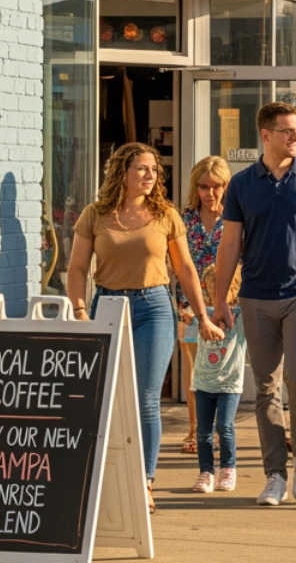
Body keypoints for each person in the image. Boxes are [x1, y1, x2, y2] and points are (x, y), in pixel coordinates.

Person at [67, 142, 222, 512]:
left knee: (145, 398)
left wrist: (202, 316)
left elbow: (185, 269)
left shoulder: (165, 214)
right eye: (142, 168)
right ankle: (98, 480)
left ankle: (144, 482)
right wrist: (78, 308)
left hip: (153, 307)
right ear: (122, 172)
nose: (150, 175)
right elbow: (75, 268)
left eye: (154, 169)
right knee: (104, 399)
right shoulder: (95, 214)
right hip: (107, 306)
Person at [212, 102, 296, 507]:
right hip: (255, 295)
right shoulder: (241, 184)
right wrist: (220, 299)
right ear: (266, 135)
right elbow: (230, 244)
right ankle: (274, 474)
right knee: (266, 388)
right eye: (288, 131)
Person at [177, 155, 231, 456]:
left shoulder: (235, 220)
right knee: (195, 371)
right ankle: (197, 430)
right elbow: (176, 266)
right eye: (203, 187)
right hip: (191, 307)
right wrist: (182, 305)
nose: (209, 193)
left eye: (216, 186)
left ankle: (224, 431)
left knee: (223, 372)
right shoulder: (185, 220)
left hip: (226, 307)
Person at [192, 263, 246, 494]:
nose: (213, 290)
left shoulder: (240, 317)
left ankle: (228, 468)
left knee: (224, 426)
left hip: (229, 383)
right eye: (210, 285)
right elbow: (189, 317)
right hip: (203, 382)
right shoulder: (203, 314)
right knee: (203, 431)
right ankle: (206, 472)